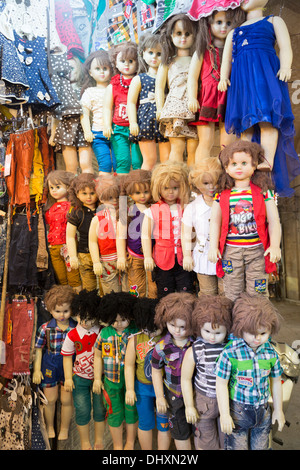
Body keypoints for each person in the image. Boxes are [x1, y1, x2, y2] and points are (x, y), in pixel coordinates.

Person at [218, 0, 300, 197]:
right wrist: (223, 77)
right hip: (241, 84)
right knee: (244, 126)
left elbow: (285, 46)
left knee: (267, 119)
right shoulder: (234, 32)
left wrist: (286, 66)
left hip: (265, 78)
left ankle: (268, 158)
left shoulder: (273, 20)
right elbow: (226, 59)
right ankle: (247, 160)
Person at [208, 140, 281, 302]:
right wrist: (213, 246)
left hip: (257, 252)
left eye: (244, 162)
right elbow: (214, 222)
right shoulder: (221, 195)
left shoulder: (264, 192)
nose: (239, 167)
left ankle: (258, 324)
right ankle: (236, 325)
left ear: (254, 164)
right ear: (226, 167)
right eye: (234, 163)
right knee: (232, 293)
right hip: (230, 252)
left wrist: (275, 245)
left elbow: (274, 221)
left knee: (258, 292)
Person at [215, 292, 285, 450]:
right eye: (252, 333)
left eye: (263, 333)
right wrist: (224, 414)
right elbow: (220, 384)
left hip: (263, 412)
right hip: (238, 413)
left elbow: (276, 381)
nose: (257, 339)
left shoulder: (271, 353)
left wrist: (278, 410)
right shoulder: (230, 353)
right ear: (241, 328)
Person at [187, 8, 245, 163]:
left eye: (228, 23)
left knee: (228, 144)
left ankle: (228, 176)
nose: (223, 27)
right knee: (205, 142)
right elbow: (192, 77)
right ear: (209, 24)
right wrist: (192, 97)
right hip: (207, 97)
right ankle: (202, 176)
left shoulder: (236, 50)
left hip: (229, 96)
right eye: (218, 22)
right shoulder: (202, 51)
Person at [181, 295, 233, 450]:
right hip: (203, 401)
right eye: (207, 331)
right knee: (205, 441)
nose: (211, 337)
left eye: (218, 333)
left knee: (228, 441)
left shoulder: (230, 349)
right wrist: (189, 405)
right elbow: (185, 379)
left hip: (228, 401)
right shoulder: (196, 350)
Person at [93, 292, 139, 450]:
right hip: (111, 382)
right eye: (114, 320)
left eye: (123, 320)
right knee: (114, 413)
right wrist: (97, 379)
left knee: (132, 410)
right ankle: (118, 445)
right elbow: (97, 357)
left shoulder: (134, 331)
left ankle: (130, 442)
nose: (119, 324)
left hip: (132, 380)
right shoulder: (104, 333)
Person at [141, 161, 194, 299]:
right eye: (165, 188)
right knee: (165, 293)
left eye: (175, 187)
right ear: (158, 188)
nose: (170, 192)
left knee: (186, 291)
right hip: (162, 260)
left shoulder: (186, 207)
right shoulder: (152, 211)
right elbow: (145, 235)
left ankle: (185, 318)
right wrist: (147, 256)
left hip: (184, 258)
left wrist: (188, 254)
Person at [61, 289, 106, 450]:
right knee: (82, 409)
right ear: (76, 314)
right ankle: (85, 442)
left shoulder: (101, 331)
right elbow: (67, 357)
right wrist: (67, 378)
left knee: (100, 409)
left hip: (99, 377)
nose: (86, 322)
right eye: (82, 318)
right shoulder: (72, 334)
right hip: (79, 378)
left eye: (90, 318)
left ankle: (99, 440)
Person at [124, 297, 171, 450]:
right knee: (145, 423)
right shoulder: (136, 339)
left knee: (164, 424)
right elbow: (129, 366)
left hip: (165, 388)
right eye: (146, 329)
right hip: (142, 388)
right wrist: (130, 389)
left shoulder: (168, 338)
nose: (151, 333)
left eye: (154, 329)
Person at [151, 292, 196, 450]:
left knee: (200, 432)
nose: (177, 331)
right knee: (179, 432)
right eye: (172, 325)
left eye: (182, 327)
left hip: (197, 395)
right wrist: (159, 397)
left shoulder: (197, 344)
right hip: (174, 396)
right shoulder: (161, 347)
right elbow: (156, 371)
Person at [33, 285, 77, 440]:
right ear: (50, 310)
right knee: (50, 399)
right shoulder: (45, 328)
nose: (62, 315)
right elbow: (38, 349)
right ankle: (50, 426)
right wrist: (37, 370)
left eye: (66, 311)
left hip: (69, 365)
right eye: (57, 311)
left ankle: (64, 429)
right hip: (49, 363)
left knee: (66, 400)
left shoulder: (75, 328)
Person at [155, 13, 198, 165]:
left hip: (194, 108)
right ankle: (176, 180)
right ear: (171, 36)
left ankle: (193, 182)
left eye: (187, 34)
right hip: (174, 107)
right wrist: (159, 108)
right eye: (178, 34)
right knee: (177, 148)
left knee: (194, 148)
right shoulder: (167, 62)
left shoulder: (197, 58)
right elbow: (159, 87)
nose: (183, 38)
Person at [127, 33, 170, 170]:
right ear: (143, 53)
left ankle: (165, 186)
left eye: (159, 53)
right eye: (150, 52)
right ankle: (144, 188)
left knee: (167, 159)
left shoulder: (169, 76)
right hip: (145, 119)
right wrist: (133, 122)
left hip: (165, 118)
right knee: (149, 160)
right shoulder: (140, 79)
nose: (154, 57)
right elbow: (131, 102)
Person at [181, 157, 223, 296]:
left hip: (225, 255)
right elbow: (186, 234)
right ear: (197, 184)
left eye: (215, 182)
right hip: (203, 256)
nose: (211, 187)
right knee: (207, 293)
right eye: (206, 183)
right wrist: (187, 255)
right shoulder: (193, 208)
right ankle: (208, 318)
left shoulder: (227, 202)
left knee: (228, 293)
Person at [103, 41, 143, 174]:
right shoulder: (113, 85)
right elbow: (108, 108)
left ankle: (139, 193)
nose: (126, 64)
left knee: (138, 162)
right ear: (115, 63)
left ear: (137, 62)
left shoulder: (141, 81)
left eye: (131, 61)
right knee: (123, 162)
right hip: (119, 129)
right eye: (122, 61)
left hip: (137, 128)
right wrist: (107, 125)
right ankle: (123, 195)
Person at [117, 169, 157, 298]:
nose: (142, 196)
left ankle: (152, 310)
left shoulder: (155, 209)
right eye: (137, 192)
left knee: (154, 287)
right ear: (129, 193)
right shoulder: (127, 211)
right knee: (135, 287)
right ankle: (137, 309)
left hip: (154, 254)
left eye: (146, 191)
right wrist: (121, 256)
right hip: (134, 256)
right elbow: (120, 236)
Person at [88, 174, 127, 294]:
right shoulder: (97, 219)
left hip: (126, 259)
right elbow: (92, 241)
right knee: (111, 294)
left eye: (117, 197)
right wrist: (95, 262)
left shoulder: (126, 214)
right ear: (101, 198)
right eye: (110, 197)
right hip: (106, 261)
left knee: (128, 293)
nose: (115, 200)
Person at [44, 170, 82, 291]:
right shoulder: (50, 208)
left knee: (73, 275)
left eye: (58, 187)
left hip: (68, 246)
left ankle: (77, 301)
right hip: (53, 247)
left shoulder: (71, 206)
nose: (54, 190)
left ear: (68, 186)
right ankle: (65, 300)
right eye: (51, 187)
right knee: (60, 277)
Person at [80, 50, 116, 175]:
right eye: (97, 68)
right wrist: (87, 131)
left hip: (117, 132)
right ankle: (105, 193)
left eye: (105, 68)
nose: (102, 71)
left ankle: (120, 195)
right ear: (90, 72)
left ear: (111, 70)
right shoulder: (89, 92)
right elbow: (84, 113)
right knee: (105, 164)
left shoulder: (116, 87)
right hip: (98, 134)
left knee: (120, 165)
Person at [66, 173, 99, 291]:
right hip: (84, 255)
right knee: (89, 288)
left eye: (92, 193)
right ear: (77, 194)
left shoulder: (103, 208)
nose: (89, 197)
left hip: (103, 254)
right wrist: (73, 256)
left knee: (106, 288)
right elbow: (70, 236)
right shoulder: (76, 212)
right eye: (84, 193)